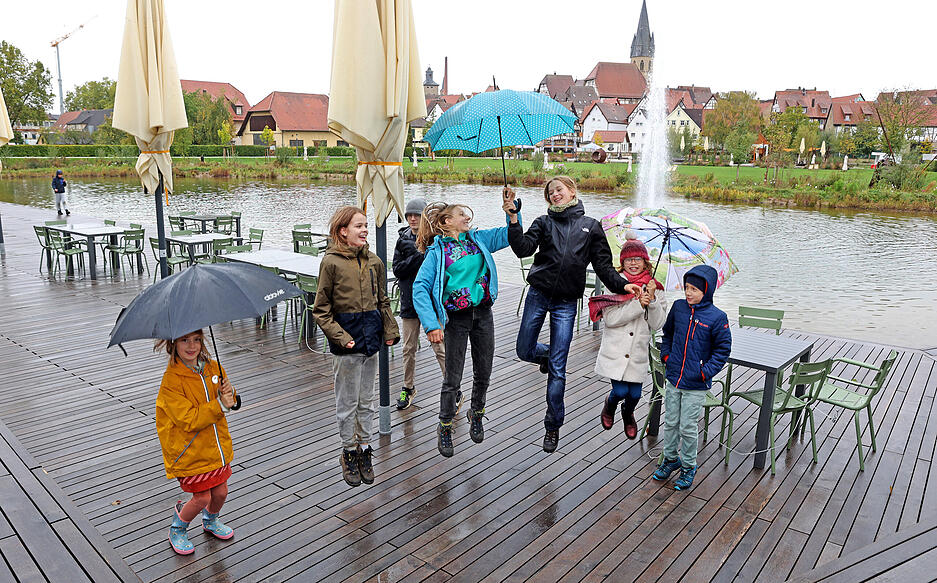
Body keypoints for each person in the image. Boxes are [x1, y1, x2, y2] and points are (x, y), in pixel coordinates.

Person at [505, 176, 631, 453]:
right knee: (524, 350)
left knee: (559, 369)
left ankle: (552, 425)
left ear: (572, 191)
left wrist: (623, 285)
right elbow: (522, 249)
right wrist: (513, 220)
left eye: (559, 190)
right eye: (550, 192)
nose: (555, 195)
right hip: (538, 295)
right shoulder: (543, 222)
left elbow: (603, 267)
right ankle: (547, 356)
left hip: (565, 303)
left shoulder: (591, 226)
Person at [412, 197, 518, 457]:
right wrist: (430, 325)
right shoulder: (437, 253)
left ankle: (477, 412)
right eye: (462, 215)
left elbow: (510, 236)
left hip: (483, 314)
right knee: (453, 378)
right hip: (455, 320)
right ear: (448, 222)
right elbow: (420, 288)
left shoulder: (479, 240)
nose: (468, 218)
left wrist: (512, 214)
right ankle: (445, 425)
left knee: (484, 371)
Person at [313, 206, 399, 487]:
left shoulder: (374, 262)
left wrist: (389, 330)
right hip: (347, 344)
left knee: (367, 401)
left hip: (371, 341)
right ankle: (348, 451)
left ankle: (364, 448)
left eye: (366, 225)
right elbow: (321, 310)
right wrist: (341, 337)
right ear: (343, 231)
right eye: (359, 226)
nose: (364, 230)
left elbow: (383, 301)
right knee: (347, 402)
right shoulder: (331, 263)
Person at [155, 329, 238, 555]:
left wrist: (231, 395)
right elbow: (188, 419)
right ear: (173, 343)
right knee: (202, 497)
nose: (191, 346)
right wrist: (219, 405)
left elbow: (228, 397)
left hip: (215, 448)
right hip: (189, 451)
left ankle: (210, 521)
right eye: (184, 340)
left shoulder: (213, 367)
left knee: (220, 493)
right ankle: (178, 527)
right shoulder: (171, 381)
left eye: (197, 340)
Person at [652, 265, 731, 491]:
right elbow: (667, 334)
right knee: (671, 423)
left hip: (696, 384)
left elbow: (723, 350)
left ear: (706, 290)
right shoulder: (678, 308)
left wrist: (704, 372)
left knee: (687, 427)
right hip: (674, 377)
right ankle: (670, 459)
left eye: (694, 289)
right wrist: (667, 355)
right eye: (686, 287)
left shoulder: (717, 318)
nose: (688, 292)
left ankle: (688, 467)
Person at [592, 231, 667, 438]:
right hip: (615, 351)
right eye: (628, 259)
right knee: (620, 392)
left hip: (637, 354)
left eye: (638, 259)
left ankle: (628, 412)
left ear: (645, 262)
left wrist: (651, 301)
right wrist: (636, 304)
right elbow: (611, 319)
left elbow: (658, 323)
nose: (633, 263)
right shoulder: (615, 283)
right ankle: (610, 404)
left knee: (634, 394)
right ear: (622, 262)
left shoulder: (655, 288)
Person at [392, 197, 446, 410]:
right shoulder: (402, 239)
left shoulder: (435, 239)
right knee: (408, 348)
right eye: (409, 215)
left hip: (431, 303)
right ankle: (408, 387)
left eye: (417, 214)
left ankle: (452, 387)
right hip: (408, 302)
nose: (412, 218)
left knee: (439, 347)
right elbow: (398, 269)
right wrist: (416, 256)